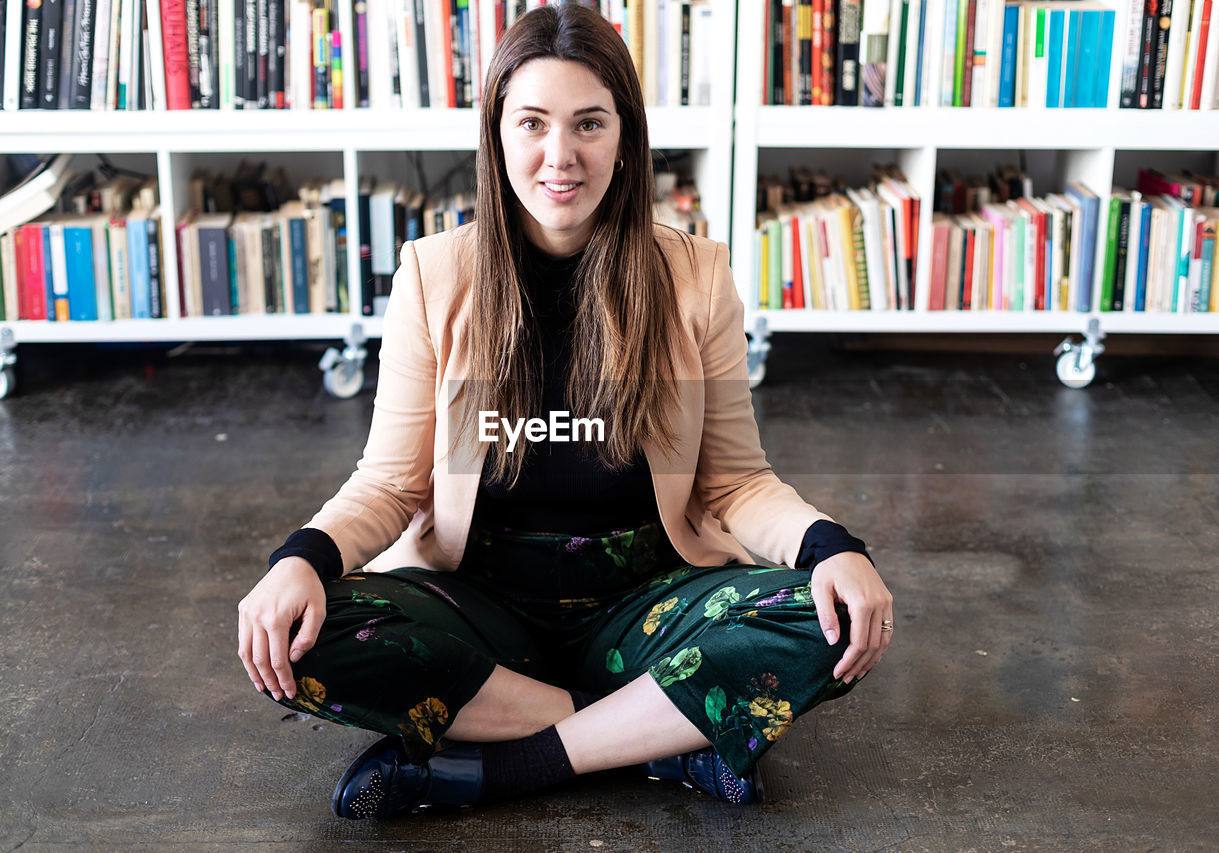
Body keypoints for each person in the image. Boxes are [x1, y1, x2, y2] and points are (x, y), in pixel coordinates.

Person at [237, 4, 893, 819]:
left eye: (589, 123)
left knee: (825, 619)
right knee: (302, 630)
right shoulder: (435, 275)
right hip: (478, 603)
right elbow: (391, 482)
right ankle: (661, 732)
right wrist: (300, 558)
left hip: (646, 596)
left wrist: (832, 546)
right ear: (497, 135)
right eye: (533, 123)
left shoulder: (694, 277)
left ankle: (497, 763)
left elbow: (734, 481)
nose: (560, 156)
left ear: (625, 138)